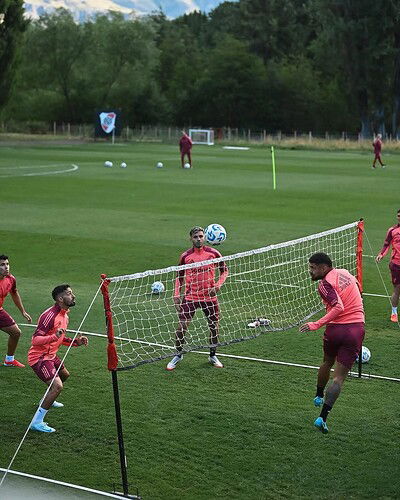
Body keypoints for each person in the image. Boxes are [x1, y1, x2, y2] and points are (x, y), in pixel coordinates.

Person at [299, 252, 365, 434]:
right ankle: (323, 417)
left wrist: (316, 324)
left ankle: (319, 395)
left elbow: (339, 307)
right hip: (355, 330)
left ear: (323, 267)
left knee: (327, 362)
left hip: (335, 330)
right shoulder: (345, 273)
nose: (310, 271)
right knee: (339, 378)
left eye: (313, 268)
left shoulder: (324, 285)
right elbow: (358, 286)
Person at [167, 226, 229, 370]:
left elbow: (224, 270)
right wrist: (176, 294)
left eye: (201, 236)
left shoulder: (214, 253)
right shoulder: (185, 256)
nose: (198, 239)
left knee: (214, 327)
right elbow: (179, 276)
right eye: (195, 237)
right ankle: (178, 354)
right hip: (190, 297)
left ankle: (212, 355)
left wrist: (218, 285)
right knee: (181, 328)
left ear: (205, 237)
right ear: (191, 239)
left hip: (209, 298)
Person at [28, 284, 88, 433]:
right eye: (69, 294)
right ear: (60, 298)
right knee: (57, 386)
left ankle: (46, 400)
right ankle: (36, 422)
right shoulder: (50, 315)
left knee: (64, 375)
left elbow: (60, 338)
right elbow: (35, 340)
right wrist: (53, 336)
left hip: (51, 356)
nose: (73, 296)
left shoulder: (65, 315)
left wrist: (76, 342)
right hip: (40, 358)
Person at [0, 254, 32, 367]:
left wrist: (23, 311)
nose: (6, 267)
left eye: (7, 264)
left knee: (16, 332)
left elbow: (14, 292)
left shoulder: (10, 279)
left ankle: (9, 360)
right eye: (2, 265)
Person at [376, 209, 400, 322]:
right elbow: (387, 244)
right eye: (398, 216)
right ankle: (394, 312)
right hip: (396, 264)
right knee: (397, 289)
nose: (399, 217)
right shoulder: (392, 230)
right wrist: (381, 254)